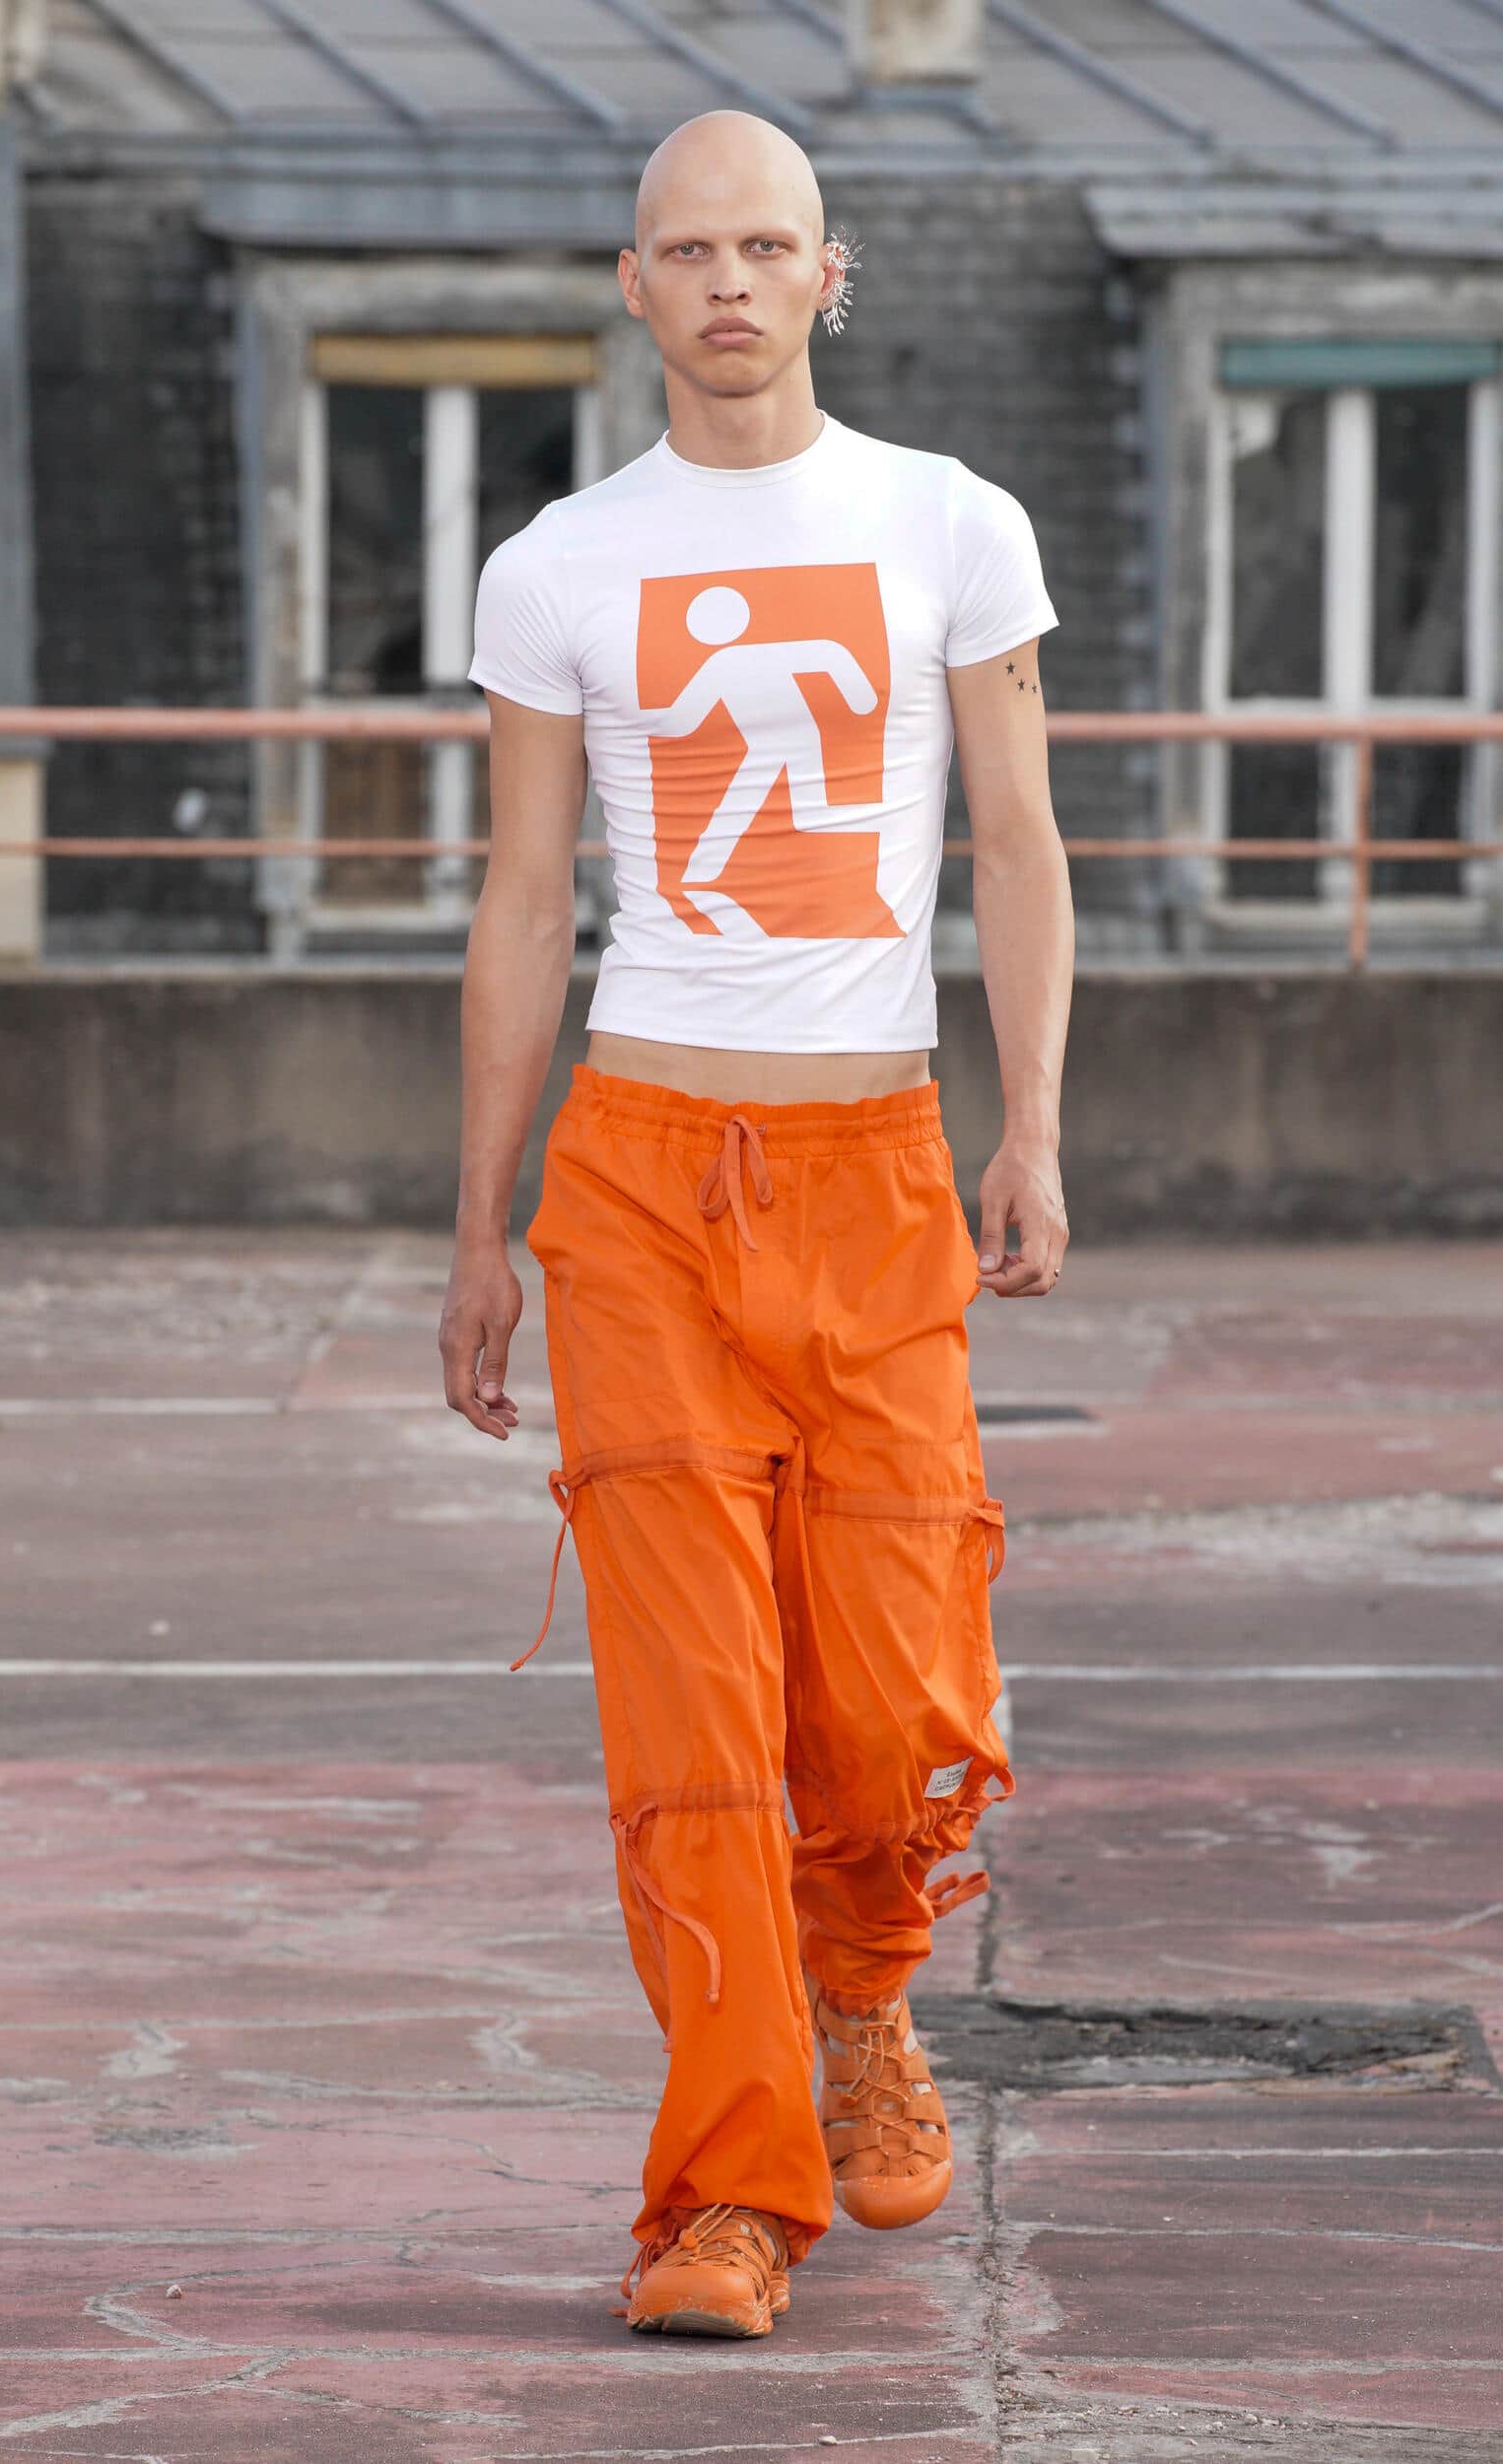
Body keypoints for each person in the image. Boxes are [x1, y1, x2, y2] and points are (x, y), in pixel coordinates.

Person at [441, 108, 1073, 2341]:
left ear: (830, 271)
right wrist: (481, 1226)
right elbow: (526, 900)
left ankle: (863, 1990)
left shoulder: (949, 521)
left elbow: (1019, 838)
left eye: (766, 245)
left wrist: (1031, 1125)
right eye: (688, 249)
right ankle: (725, 2198)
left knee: (893, 1688)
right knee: (694, 1720)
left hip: (877, 1167)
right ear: (635, 285)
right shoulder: (557, 565)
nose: (728, 281)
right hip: (636, 1188)